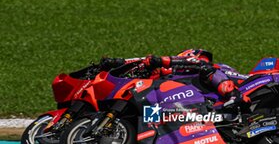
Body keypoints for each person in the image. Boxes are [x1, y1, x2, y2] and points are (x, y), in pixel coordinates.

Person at [99, 49, 247, 106]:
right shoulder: (172, 76)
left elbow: (197, 62)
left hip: (241, 83)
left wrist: (160, 61)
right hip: (205, 100)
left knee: (204, 67)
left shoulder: (199, 63)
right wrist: (119, 63)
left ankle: (233, 94)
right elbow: (144, 60)